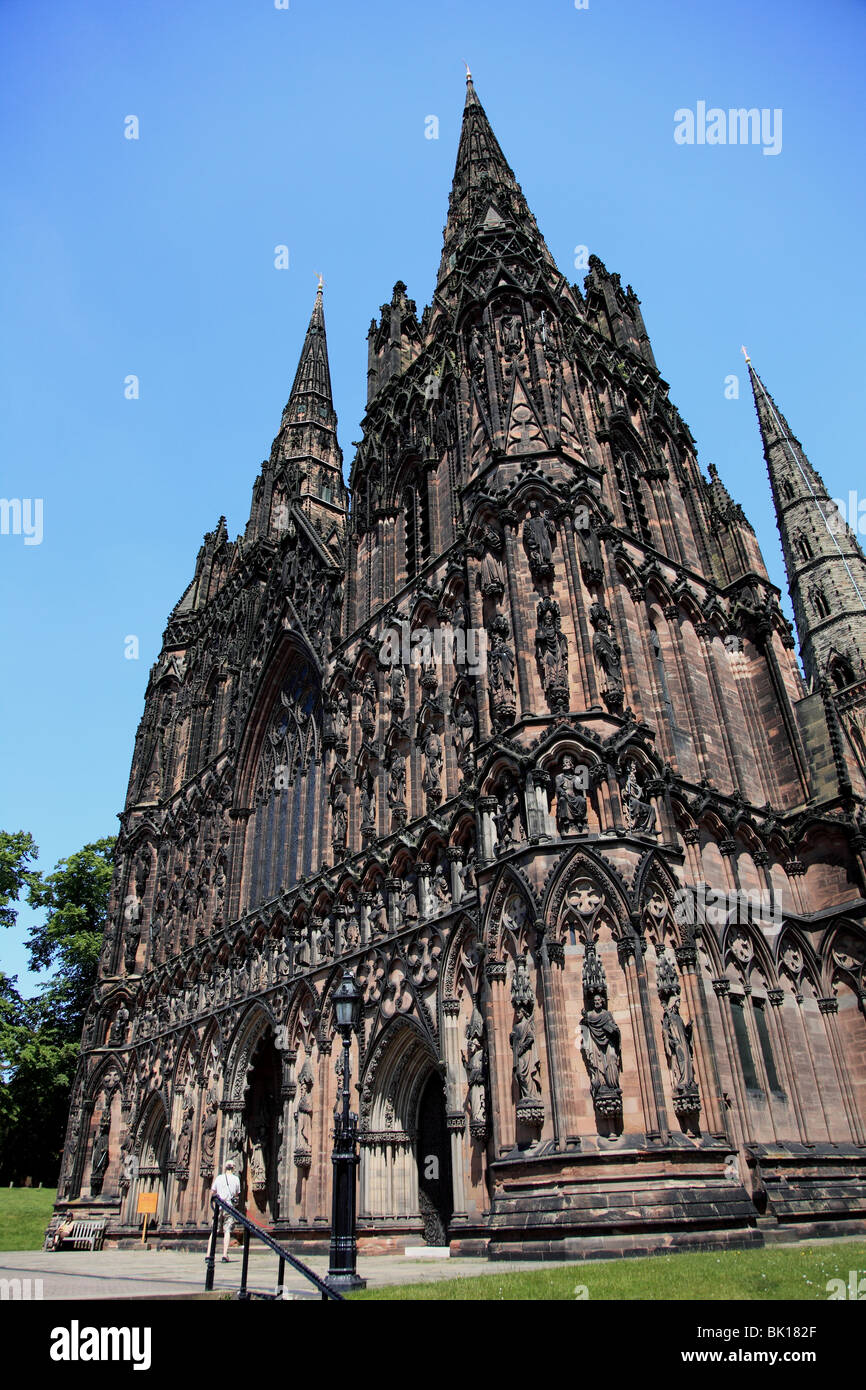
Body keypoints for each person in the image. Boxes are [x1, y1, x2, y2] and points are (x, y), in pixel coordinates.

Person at [210, 1160, 241, 1262]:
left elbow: (212, 1192)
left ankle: (208, 1254)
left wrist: (215, 1201)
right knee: (227, 1231)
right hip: (229, 1207)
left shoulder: (219, 1178)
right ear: (233, 1168)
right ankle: (224, 1255)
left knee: (214, 1231)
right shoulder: (236, 1179)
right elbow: (237, 1194)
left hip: (218, 1207)